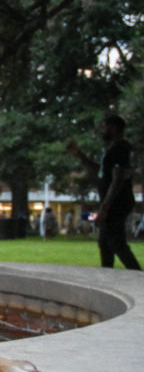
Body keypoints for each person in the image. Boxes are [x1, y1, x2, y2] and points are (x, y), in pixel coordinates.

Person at [67, 114, 141, 270]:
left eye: (104, 127)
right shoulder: (113, 149)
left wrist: (105, 207)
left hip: (117, 203)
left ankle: (138, 277)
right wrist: (81, 156)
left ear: (113, 128)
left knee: (116, 243)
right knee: (105, 243)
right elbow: (101, 172)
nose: (102, 130)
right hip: (114, 202)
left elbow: (118, 179)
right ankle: (107, 275)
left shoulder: (120, 149)